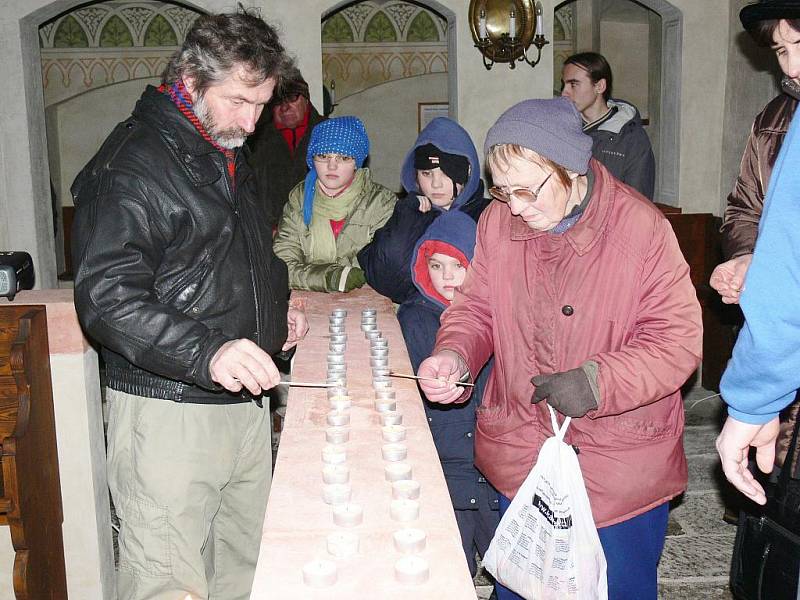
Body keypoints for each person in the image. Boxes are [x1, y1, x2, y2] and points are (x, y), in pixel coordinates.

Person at [417, 97, 702, 600]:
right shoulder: (498, 222)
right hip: (524, 452)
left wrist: (597, 382)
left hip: (617, 466)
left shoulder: (641, 229)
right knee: (523, 586)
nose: (517, 209)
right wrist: (455, 355)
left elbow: (677, 341)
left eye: (528, 191)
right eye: (503, 191)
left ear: (570, 169)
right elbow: (476, 308)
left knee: (616, 588)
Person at [70, 11, 308, 600]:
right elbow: (105, 295)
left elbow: (238, 253)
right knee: (167, 583)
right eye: (236, 102)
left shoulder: (221, 146)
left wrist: (276, 308)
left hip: (241, 401)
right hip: (168, 411)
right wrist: (209, 350)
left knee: (245, 574)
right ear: (192, 80)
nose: (251, 121)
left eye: (261, 104)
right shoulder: (135, 161)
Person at [710, 1, 800, 481]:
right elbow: (748, 207)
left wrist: (750, 401)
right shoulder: (778, 117)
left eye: (799, 45)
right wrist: (746, 257)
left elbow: (791, 273)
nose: (791, 67)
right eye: (782, 51)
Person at [396, 209, 499, 581]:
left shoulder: (496, 318)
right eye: (436, 267)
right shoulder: (416, 319)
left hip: (491, 465)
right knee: (450, 570)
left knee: (507, 565)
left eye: (458, 265)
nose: (447, 278)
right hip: (444, 461)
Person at [358, 117, 490, 304]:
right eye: (427, 174)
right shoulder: (411, 214)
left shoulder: (489, 217)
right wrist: (406, 218)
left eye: (446, 173)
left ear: (468, 172)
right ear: (415, 176)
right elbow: (386, 281)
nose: (436, 184)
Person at [273, 116, 396, 292]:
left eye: (344, 157)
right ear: (312, 159)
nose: (332, 166)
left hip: (368, 305)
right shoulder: (299, 200)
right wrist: (330, 277)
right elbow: (281, 266)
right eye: (323, 156)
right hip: (308, 305)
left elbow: (384, 269)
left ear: (356, 163)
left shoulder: (381, 204)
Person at [561, 51, 656, 200]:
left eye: (573, 84)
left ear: (599, 86)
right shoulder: (561, 131)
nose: (564, 93)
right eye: (564, 84)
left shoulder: (632, 139)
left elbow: (637, 202)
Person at [247, 66, 326, 231]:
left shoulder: (330, 134)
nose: (285, 107)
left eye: (291, 97)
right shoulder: (252, 143)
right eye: (277, 102)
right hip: (270, 235)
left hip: (321, 231)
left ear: (306, 98)